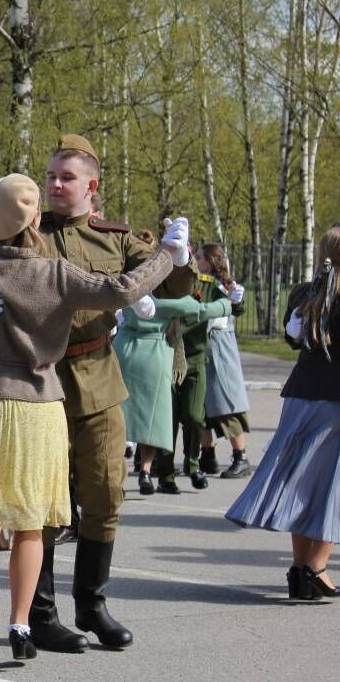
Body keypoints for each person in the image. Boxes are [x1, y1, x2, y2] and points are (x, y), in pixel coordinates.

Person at [0, 173, 179, 668]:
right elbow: (124, 289)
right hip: (41, 407)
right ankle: (20, 626)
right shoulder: (56, 273)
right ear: (36, 218)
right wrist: (166, 255)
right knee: (32, 524)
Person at [226, 225, 340, 601]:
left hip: (301, 394)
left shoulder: (305, 293)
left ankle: (298, 569)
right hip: (335, 400)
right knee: (331, 488)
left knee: (302, 481)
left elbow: (293, 339)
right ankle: (317, 568)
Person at [113, 236, 234, 495]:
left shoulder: (128, 282)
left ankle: (144, 473)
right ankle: (142, 474)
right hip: (152, 354)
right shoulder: (148, 288)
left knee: (146, 421)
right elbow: (195, 310)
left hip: (134, 351)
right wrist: (226, 305)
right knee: (143, 420)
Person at [196, 243, 252, 479]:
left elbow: (237, 308)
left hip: (219, 350)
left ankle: (241, 457)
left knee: (226, 405)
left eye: (199, 257)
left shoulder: (223, 286)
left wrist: (235, 301)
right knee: (203, 407)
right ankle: (207, 454)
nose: (195, 260)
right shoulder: (201, 283)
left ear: (209, 261)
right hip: (204, 349)